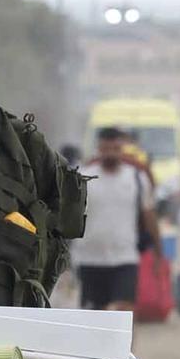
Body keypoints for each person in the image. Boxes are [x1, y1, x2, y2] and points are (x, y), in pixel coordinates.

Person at [70, 127, 157, 313]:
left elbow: (149, 215)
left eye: (115, 149)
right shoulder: (83, 177)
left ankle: (125, 343)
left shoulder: (137, 178)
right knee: (94, 316)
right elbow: (69, 215)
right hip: (89, 258)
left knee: (123, 312)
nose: (110, 153)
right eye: (105, 149)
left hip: (125, 257)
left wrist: (158, 252)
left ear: (122, 149)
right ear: (98, 149)